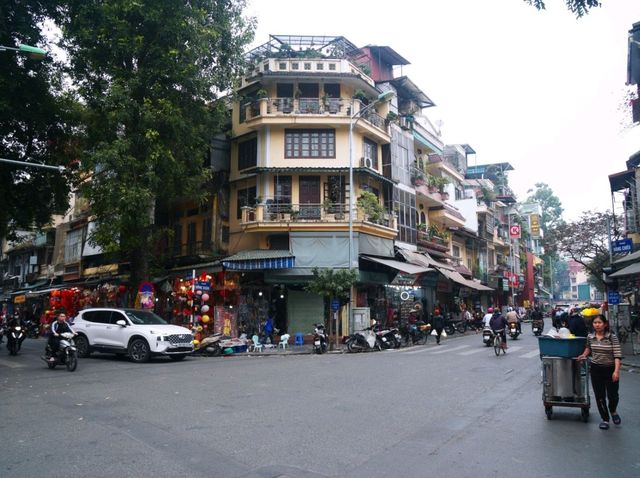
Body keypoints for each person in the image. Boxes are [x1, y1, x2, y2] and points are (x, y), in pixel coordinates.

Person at [576, 315, 622, 430]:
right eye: (595, 323)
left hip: (610, 369)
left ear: (605, 324)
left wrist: (616, 371)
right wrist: (584, 355)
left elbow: (617, 355)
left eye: (600, 322)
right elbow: (588, 348)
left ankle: (613, 411)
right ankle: (605, 419)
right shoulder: (590, 337)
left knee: (613, 396)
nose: (597, 325)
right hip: (596, 369)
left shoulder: (612, 337)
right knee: (600, 396)